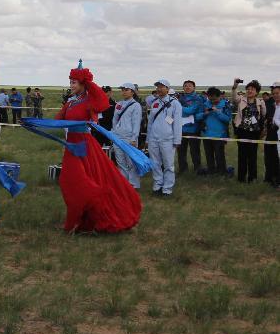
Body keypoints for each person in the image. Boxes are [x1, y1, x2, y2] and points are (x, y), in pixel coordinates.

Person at [49, 65, 141, 232]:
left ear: (83, 84)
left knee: (78, 181)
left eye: (75, 82)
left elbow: (103, 102)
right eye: (70, 82)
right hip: (72, 145)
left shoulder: (90, 100)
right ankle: (82, 217)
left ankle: (91, 208)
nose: (71, 85)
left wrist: (89, 83)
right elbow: (58, 119)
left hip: (84, 145)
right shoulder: (70, 102)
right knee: (68, 181)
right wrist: (34, 123)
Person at [147, 80, 183, 196]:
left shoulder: (175, 103)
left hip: (168, 139)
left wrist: (177, 140)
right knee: (155, 163)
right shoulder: (154, 103)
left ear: (167, 89)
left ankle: (167, 189)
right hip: (153, 138)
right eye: (158, 87)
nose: (159, 89)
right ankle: (157, 185)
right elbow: (150, 123)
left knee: (168, 165)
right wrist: (148, 139)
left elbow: (177, 123)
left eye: (162, 87)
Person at [231, 78, 267, 183]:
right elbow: (234, 98)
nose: (249, 91)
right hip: (242, 131)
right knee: (242, 156)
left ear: (257, 92)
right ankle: (241, 178)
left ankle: (252, 178)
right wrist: (235, 86)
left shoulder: (261, 103)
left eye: (252, 89)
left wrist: (262, 130)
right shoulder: (241, 100)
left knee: (252, 156)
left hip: (254, 133)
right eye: (248, 89)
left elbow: (263, 116)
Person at [111, 83, 142, 189]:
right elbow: (114, 120)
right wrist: (114, 134)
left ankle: (134, 185)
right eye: (123, 90)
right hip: (117, 137)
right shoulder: (118, 104)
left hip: (129, 138)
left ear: (132, 92)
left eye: (126, 90)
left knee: (131, 162)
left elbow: (136, 123)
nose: (124, 92)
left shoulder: (136, 105)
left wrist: (134, 138)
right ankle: (124, 184)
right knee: (120, 161)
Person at [200, 87, 233, 177]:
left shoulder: (226, 105)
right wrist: (204, 114)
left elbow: (228, 119)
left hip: (220, 135)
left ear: (220, 96)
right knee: (208, 154)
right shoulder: (205, 104)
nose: (213, 101)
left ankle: (222, 171)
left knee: (219, 155)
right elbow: (197, 117)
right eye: (210, 99)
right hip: (206, 134)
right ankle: (211, 170)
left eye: (215, 99)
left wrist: (218, 112)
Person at [177, 80, 205, 175]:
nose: (187, 87)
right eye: (185, 86)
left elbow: (191, 110)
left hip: (194, 129)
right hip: (181, 129)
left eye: (189, 86)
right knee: (181, 151)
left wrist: (179, 108)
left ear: (194, 87)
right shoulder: (180, 98)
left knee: (195, 151)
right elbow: (177, 113)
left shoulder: (198, 98)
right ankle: (182, 169)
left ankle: (197, 169)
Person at [266, 83, 280, 187]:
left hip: (279, 135)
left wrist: (276, 123)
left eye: (277, 93)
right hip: (271, 134)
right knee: (270, 158)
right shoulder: (272, 105)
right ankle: (270, 178)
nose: (275, 95)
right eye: (274, 93)